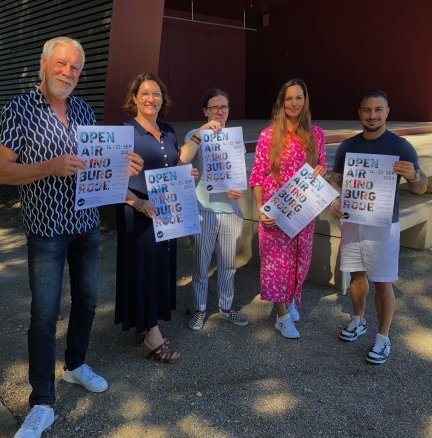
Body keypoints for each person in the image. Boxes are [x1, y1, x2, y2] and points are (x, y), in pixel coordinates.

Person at [0, 36, 144, 438]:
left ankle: (75, 365)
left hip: (86, 225)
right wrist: (49, 166)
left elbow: (99, 166)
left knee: (89, 301)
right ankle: (42, 402)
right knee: (43, 316)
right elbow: (0, 171)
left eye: (75, 67)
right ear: (44, 65)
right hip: (46, 231)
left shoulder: (84, 110)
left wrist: (122, 165)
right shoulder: (18, 109)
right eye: (61, 64)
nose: (68, 73)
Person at [329, 89, 427, 365]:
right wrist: (335, 199)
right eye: (367, 110)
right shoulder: (348, 146)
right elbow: (336, 180)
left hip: (384, 225)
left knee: (383, 282)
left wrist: (414, 175)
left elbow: (422, 187)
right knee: (357, 275)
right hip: (353, 220)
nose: (372, 115)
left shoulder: (400, 146)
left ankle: (383, 337)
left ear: (387, 112)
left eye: (378, 110)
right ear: (359, 113)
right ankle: (358, 321)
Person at [248, 78, 326, 339]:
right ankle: (281, 316)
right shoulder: (269, 135)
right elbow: (258, 174)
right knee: (276, 264)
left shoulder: (316, 133)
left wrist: (320, 170)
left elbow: (321, 166)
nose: (294, 103)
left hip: (304, 208)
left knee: (300, 261)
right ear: (282, 103)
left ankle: (291, 299)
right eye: (289, 98)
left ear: (305, 101)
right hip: (275, 209)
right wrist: (261, 208)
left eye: (299, 98)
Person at [115, 73, 184, 363]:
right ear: (134, 98)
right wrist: (136, 201)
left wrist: (186, 173)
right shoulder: (125, 132)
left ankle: (145, 323)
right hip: (138, 212)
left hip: (166, 212)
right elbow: (108, 178)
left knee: (160, 268)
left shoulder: (168, 131)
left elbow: (173, 166)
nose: (150, 99)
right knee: (143, 269)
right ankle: (152, 337)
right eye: (144, 93)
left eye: (155, 94)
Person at [177, 88, 249, 331]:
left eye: (224, 107)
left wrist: (236, 190)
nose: (220, 112)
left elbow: (237, 176)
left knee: (228, 265)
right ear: (205, 111)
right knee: (201, 265)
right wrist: (200, 132)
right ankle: (199, 310)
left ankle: (226, 308)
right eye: (214, 107)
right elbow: (184, 159)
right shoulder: (194, 134)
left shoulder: (234, 138)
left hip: (230, 210)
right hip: (203, 209)